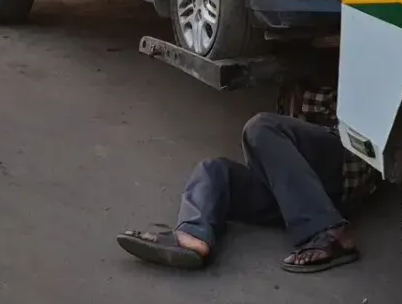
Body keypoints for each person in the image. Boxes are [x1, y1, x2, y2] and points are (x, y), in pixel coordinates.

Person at [116, 84, 380, 273]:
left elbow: (364, 152)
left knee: (260, 127)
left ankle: (328, 233)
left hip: (340, 173)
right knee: (214, 170)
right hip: (294, 192)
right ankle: (193, 236)